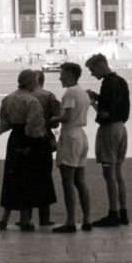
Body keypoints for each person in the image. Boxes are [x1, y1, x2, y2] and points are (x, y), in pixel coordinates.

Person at [0, 70, 56, 231]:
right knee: (27, 179)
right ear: (31, 83)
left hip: (14, 138)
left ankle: (5, 217)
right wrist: (34, 143)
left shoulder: (8, 99)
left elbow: (3, 123)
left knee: (12, 177)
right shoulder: (32, 101)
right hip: (29, 141)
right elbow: (33, 126)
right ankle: (24, 219)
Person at [85, 53, 130, 227]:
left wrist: (91, 102)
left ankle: (113, 213)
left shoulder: (107, 84)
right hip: (121, 128)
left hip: (109, 130)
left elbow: (104, 112)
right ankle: (123, 212)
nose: (92, 74)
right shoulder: (120, 81)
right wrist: (97, 97)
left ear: (100, 66)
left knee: (108, 173)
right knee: (118, 172)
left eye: (92, 70)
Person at [53, 62, 92, 233]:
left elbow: (67, 117)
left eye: (62, 73)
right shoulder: (82, 92)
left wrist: (51, 119)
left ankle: (70, 221)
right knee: (80, 180)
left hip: (70, 136)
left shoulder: (70, 93)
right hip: (81, 136)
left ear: (69, 74)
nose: (60, 77)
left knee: (67, 181)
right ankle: (87, 218)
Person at [30, 69, 61, 227]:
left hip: (25, 140)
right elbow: (56, 120)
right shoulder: (49, 96)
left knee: (26, 178)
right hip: (43, 139)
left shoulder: (22, 96)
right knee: (44, 178)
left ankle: (26, 217)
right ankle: (44, 217)